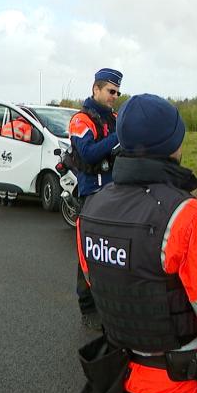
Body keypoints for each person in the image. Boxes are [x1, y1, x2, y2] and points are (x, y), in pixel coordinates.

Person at [77, 94, 197, 393]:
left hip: (117, 380)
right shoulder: (190, 217)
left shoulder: (91, 209)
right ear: (174, 146)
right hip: (180, 387)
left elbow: (99, 283)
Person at [69, 68, 123, 329]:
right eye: (111, 91)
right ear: (96, 89)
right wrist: (118, 136)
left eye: (118, 92)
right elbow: (89, 153)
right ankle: (88, 306)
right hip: (91, 194)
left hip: (116, 193)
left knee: (116, 251)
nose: (115, 96)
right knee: (89, 252)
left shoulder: (115, 118)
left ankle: (111, 302)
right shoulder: (81, 120)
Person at [0, 115, 34, 206]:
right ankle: (11, 200)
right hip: (15, 152)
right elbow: (27, 141)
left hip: (4, 152)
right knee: (13, 176)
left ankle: (2, 198)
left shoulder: (7, 124)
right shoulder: (27, 126)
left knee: (4, 175)